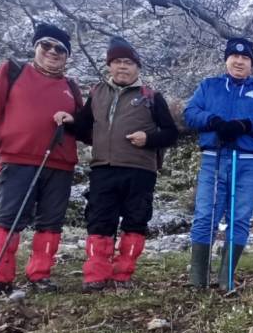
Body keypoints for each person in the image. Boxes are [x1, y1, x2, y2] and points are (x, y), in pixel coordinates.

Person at [55, 36, 179, 292]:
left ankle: (123, 275)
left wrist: (149, 138)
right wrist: (68, 120)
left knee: (135, 222)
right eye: (117, 62)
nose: (123, 67)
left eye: (129, 62)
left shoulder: (152, 97)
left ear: (137, 67)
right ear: (109, 66)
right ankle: (96, 276)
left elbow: (171, 133)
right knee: (99, 222)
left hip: (141, 171)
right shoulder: (97, 93)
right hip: (103, 167)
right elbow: (83, 125)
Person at [0, 22, 83, 295]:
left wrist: (72, 120)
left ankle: (40, 275)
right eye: (46, 45)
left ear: (67, 56)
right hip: (16, 157)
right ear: (36, 47)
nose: (53, 52)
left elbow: (84, 126)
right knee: (7, 218)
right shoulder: (12, 71)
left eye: (60, 49)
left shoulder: (71, 86)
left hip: (60, 162)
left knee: (51, 222)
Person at [183, 37, 253, 291]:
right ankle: (198, 278)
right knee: (205, 215)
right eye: (235, 57)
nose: (239, 61)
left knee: (240, 217)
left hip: (248, 161)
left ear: (251, 63)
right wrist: (212, 120)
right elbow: (190, 113)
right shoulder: (209, 86)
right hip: (214, 156)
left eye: (245, 58)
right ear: (227, 59)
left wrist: (246, 124)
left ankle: (226, 278)